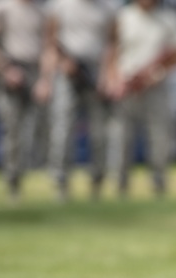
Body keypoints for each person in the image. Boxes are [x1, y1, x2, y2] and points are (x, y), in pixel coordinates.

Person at [101, 0, 176, 198]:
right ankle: (121, 185)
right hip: (126, 86)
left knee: (159, 137)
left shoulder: (170, 20)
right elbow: (112, 50)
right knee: (122, 136)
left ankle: (159, 183)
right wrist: (113, 79)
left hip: (156, 87)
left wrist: (153, 73)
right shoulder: (123, 17)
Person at [37, 0, 117, 201]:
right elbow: (50, 41)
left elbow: (112, 44)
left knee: (100, 132)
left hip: (95, 73)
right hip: (67, 73)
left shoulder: (109, 7)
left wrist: (107, 75)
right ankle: (61, 184)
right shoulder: (60, 6)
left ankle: (97, 182)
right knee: (62, 128)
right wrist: (56, 69)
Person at [0, 0, 47, 200]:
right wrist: (5, 68)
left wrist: (45, 79)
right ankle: (13, 182)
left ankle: (38, 174)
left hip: (35, 72)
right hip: (10, 72)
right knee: (12, 130)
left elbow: (48, 46)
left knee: (36, 131)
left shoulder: (41, 10)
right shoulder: (0, 7)